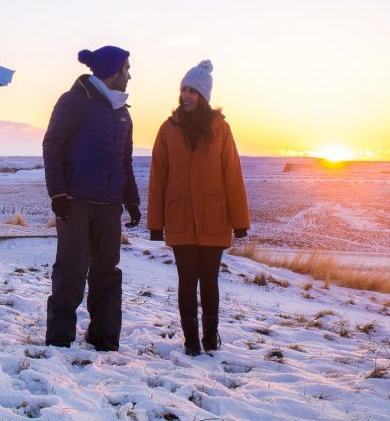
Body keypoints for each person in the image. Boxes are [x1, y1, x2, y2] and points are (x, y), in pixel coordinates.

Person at [147, 60, 250, 355]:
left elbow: (233, 174)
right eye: (184, 90)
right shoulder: (168, 129)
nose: (186, 96)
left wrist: (240, 221)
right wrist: (156, 223)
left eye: (193, 91)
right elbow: (158, 177)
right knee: (186, 280)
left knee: (210, 281)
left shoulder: (221, 129)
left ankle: (210, 337)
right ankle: (191, 340)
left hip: (214, 219)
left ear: (204, 95)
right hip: (180, 219)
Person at [43, 45, 140, 351]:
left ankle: (104, 338)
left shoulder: (122, 113)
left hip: (109, 206)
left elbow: (124, 161)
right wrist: (58, 194)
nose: (129, 75)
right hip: (76, 201)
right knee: (71, 270)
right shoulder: (74, 102)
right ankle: (59, 339)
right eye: (126, 69)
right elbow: (53, 145)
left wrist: (132, 200)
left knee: (107, 273)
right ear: (112, 71)